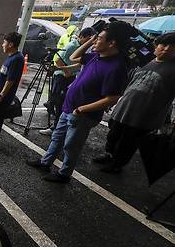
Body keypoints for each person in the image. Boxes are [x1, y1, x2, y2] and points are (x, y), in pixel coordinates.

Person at [26, 21, 131, 183]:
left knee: (71, 146)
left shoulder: (116, 67)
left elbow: (112, 98)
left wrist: (82, 109)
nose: (95, 41)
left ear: (112, 43)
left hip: (83, 114)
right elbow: (73, 57)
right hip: (68, 107)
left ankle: (64, 174)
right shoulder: (96, 56)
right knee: (57, 137)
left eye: (99, 38)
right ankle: (45, 162)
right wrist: (91, 41)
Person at [93, 31, 175, 173]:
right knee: (113, 134)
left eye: (173, 46)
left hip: (145, 116)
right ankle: (109, 155)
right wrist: (111, 101)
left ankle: (118, 164)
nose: (167, 48)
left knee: (129, 142)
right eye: (164, 44)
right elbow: (128, 83)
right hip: (124, 108)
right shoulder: (145, 61)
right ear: (157, 45)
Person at [40, 27, 97, 136]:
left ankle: (56, 126)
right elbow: (58, 60)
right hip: (62, 77)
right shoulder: (72, 46)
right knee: (59, 102)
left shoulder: (82, 47)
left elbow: (79, 63)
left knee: (63, 103)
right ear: (82, 37)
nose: (91, 41)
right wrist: (66, 72)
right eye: (89, 39)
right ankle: (54, 127)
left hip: (70, 77)